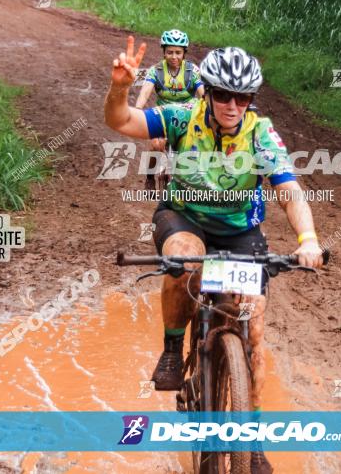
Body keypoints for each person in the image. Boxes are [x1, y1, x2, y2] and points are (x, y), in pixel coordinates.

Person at [105, 36, 324, 474]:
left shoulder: (260, 132)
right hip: (183, 219)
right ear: (207, 91)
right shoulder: (183, 117)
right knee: (185, 260)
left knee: (254, 334)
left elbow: (287, 188)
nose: (232, 105)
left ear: (250, 100)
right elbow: (122, 122)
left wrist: (308, 239)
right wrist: (119, 88)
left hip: (241, 233)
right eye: (223, 94)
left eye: (242, 97)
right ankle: (171, 348)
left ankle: (253, 440)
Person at [135, 29, 204, 189]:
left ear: (184, 53)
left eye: (178, 53)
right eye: (170, 52)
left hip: (187, 115)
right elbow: (145, 92)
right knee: (156, 146)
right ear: (163, 52)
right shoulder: (155, 71)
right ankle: (150, 177)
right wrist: (138, 109)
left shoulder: (192, 71)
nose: (174, 57)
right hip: (164, 115)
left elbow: (203, 93)